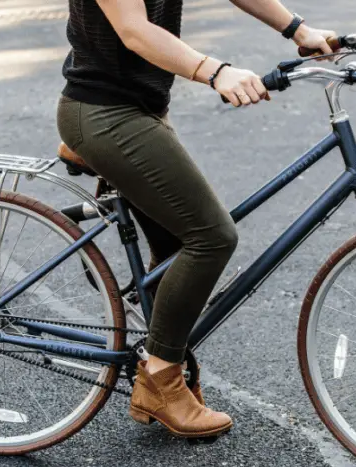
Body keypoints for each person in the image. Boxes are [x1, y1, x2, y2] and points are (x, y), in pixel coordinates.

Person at [56, 0, 340, 438]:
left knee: (175, 251)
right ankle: (160, 380)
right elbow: (133, 31)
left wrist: (297, 29)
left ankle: (161, 362)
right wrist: (217, 71)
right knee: (211, 237)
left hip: (141, 109)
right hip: (104, 115)